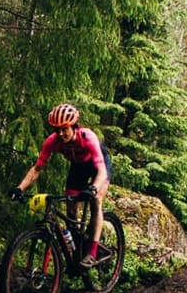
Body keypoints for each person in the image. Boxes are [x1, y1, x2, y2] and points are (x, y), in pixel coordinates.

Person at [9, 103, 111, 266]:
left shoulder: (88, 137)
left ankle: (92, 251)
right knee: (71, 211)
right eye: (57, 130)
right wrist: (20, 188)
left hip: (97, 164)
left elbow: (102, 171)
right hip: (78, 167)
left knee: (96, 201)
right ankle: (79, 246)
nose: (61, 133)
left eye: (65, 129)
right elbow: (37, 168)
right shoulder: (52, 142)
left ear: (74, 126)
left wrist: (93, 188)